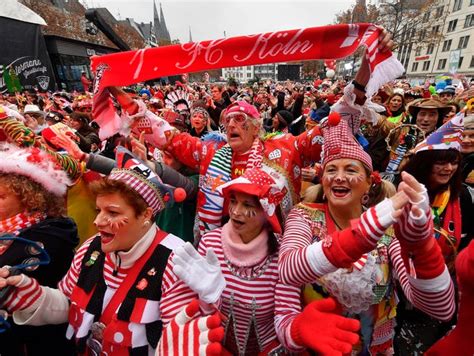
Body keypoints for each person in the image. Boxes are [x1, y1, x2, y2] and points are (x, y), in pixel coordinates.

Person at [278, 115, 455, 354]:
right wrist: (299, 330)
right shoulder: (304, 217)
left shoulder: (387, 230)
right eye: (331, 170)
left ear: (369, 184)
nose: (339, 177)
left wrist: (420, 246)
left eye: (350, 169)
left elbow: (441, 309)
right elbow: (288, 271)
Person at [0, 147, 185, 355]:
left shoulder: (176, 262)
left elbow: (179, 340)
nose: (97, 221)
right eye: (98, 210)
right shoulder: (91, 247)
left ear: (145, 215)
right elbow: (69, 303)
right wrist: (34, 297)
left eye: (112, 212)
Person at [161, 168, 361, 355]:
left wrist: (299, 329)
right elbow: (200, 314)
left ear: (267, 213)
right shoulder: (210, 242)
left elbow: (285, 320)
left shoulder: (283, 254)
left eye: (247, 205)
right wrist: (207, 300)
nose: (236, 211)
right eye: (233, 201)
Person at [0, 144, 78, 356]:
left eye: (1, 197)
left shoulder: (49, 237)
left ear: (30, 200)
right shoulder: (8, 225)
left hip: (32, 343)